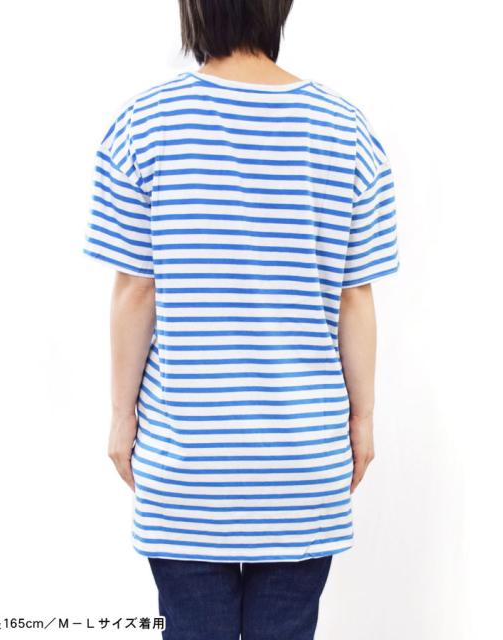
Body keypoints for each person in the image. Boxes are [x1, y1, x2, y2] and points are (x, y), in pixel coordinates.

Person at [82, 1, 400, 638]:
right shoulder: (347, 130)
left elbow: (136, 291)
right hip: (303, 461)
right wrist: (362, 420)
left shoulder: (143, 125)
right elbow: (354, 297)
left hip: (187, 460)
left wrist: (122, 417)